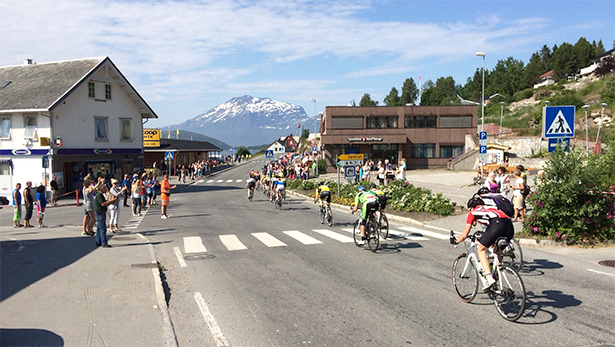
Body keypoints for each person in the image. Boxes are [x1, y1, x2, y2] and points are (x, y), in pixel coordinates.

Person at [451, 194, 514, 291]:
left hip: (497, 224)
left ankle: (489, 278)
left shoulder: (473, 213)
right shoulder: (490, 208)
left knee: (481, 249)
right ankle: (496, 274)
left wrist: (456, 241)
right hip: (509, 226)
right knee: (497, 251)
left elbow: (464, 234)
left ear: (471, 207)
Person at [94, 180, 117, 248]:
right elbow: (103, 204)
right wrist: (111, 201)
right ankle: (104, 243)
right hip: (100, 212)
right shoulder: (99, 195)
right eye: (104, 188)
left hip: (100, 212)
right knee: (102, 228)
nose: (105, 189)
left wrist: (110, 201)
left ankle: (98, 241)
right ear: (101, 189)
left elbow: (104, 202)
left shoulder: (100, 195)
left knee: (99, 227)